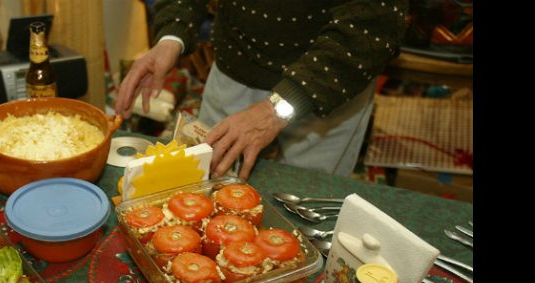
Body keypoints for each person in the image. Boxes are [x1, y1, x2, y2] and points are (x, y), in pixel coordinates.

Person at [115, 0, 409, 180]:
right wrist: (171, 37)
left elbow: (371, 27)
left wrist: (277, 109)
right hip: (235, 65)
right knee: (208, 185)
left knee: (305, 210)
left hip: (326, 85)